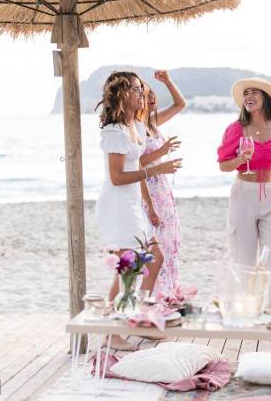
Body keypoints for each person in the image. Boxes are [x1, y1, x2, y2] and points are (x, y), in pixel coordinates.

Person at [95, 71, 182, 349]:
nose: (141, 93)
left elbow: (138, 166)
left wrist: (158, 163)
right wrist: (156, 169)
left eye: (141, 89)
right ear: (121, 94)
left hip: (134, 204)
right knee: (128, 270)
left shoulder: (135, 125)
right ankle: (112, 332)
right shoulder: (114, 132)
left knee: (155, 256)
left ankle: (139, 316)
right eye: (135, 89)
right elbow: (117, 177)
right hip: (119, 205)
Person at [217, 77, 271, 307]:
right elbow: (223, 165)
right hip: (244, 195)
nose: (248, 97)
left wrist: (267, 177)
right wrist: (240, 159)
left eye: (254, 92)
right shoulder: (236, 129)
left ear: (265, 98)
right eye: (245, 93)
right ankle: (243, 309)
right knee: (244, 258)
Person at [140, 70, 185, 297]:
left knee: (169, 240)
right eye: (146, 95)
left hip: (162, 186)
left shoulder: (152, 122)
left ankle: (167, 292)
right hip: (146, 186)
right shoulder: (136, 127)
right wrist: (162, 151)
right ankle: (154, 295)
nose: (151, 98)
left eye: (153, 94)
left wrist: (167, 81)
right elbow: (133, 163)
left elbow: (179, 104)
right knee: (156, 244)